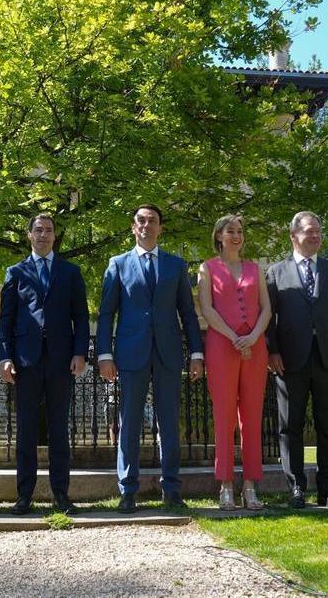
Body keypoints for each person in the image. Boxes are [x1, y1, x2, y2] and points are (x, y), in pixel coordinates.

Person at [97, 204, 204, 513]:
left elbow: (187, 312)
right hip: (131, 354)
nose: (146, 225)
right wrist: (105, 354)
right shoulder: (117, 264)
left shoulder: (175, 265)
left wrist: (196, 353)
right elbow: (106, 314)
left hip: (168, 353)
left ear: (160, 227)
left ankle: (171, 489)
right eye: (140, 221)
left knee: (169, 422)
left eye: (152, 221)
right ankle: (127, 490)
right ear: (133, 227)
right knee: (129, 422)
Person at [0, 213, 90, 515]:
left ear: (54, 236)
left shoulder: (70, 272)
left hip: (61, 359)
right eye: (38, 230)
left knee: (59, 428)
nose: (44, 235)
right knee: (25, 428)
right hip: (26, 359)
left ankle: (61, 494)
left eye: (49, 230)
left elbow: (81, 317)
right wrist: (4, 357)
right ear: (29, 235)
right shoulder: (16, 272)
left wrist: (80, 353)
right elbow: (6, 320)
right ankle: (24, 495)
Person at [266, 211, 328, 509]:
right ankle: (296, 490)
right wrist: (272, 350)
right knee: (289, 426)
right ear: (293, 236)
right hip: (289, 360)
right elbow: (269, 319)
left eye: (319, 231)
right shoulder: (275, 273)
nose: (316, 236)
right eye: (309, 231)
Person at [197, 214, 270, 510]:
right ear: (218, 236)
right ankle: (225, 484)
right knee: (224, 416)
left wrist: (252, 336)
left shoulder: (255, 268)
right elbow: (207, 308)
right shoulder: (207, 268)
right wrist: (232, 336)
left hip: (255, 346)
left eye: (240, 231)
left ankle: (250, 485)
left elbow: (266, 308)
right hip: (221, 345)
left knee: (252, 416)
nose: (236, 235)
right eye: (230, 231)